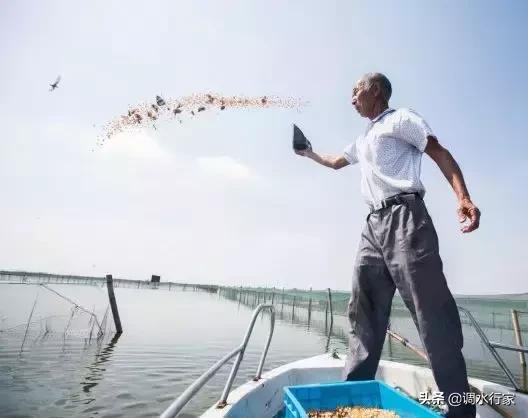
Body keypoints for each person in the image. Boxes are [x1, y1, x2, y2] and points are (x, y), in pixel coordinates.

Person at [295, 72, 480, 418]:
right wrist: (308, 153)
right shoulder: (364, 136)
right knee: (362, 313)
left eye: (355, 92)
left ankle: (459, 411)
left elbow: (439, 152)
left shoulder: (401, 119)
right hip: (372, 226)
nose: (351, 99)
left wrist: (463, 197)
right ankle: (351, 404)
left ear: (375, 90)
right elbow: (337, 162)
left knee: (432, 315)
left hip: (406, 218)